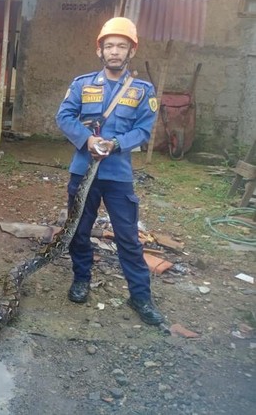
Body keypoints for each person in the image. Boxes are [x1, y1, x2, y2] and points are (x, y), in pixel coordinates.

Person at [56, 17, 164, 325]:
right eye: (109, 46)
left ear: (131, 51)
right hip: (83, 171)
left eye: (121, 46)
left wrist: (116, 144)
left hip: (117, 175)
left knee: (128, 237)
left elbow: (144, 129)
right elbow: (64, 116)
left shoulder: (143, 91)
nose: (115, 52)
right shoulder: (82, 84)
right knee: (78, 230)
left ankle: (140, 296)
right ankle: (81, 280)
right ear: (99, 51)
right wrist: (86, 139)